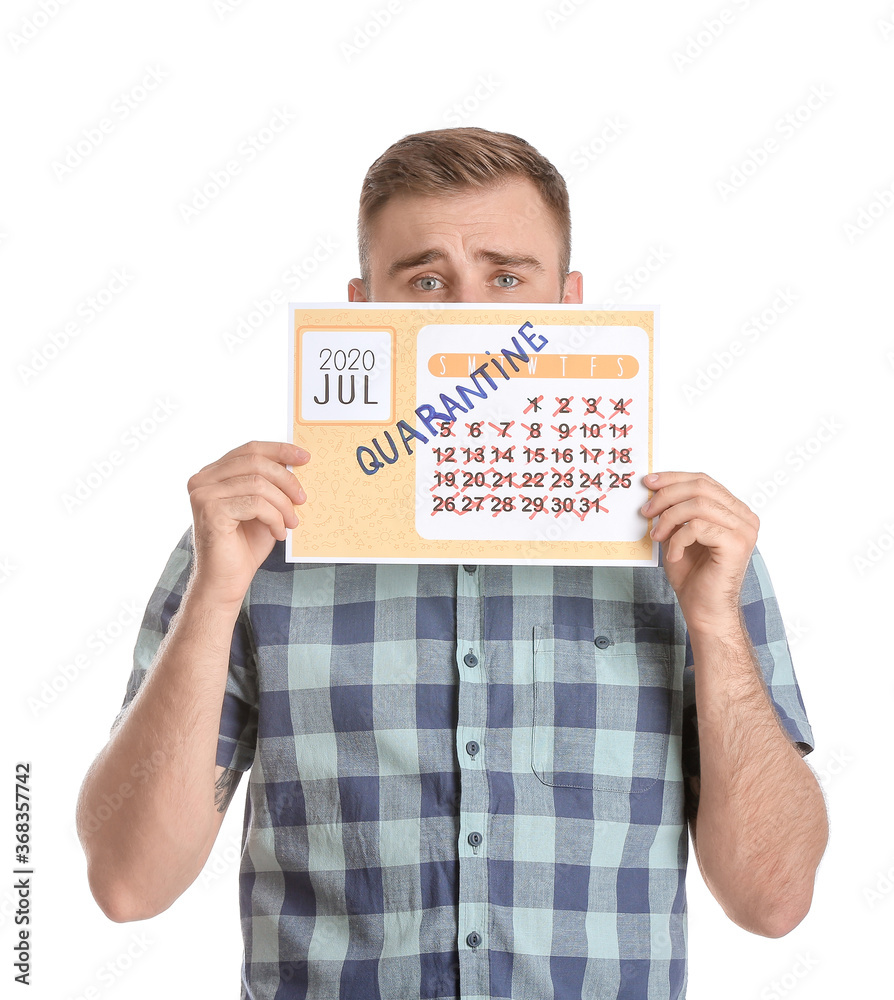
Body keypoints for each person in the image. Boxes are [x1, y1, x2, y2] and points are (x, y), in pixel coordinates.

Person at [77, 127, 828, 1000]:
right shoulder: (251, 541)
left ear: (570, 303)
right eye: (426, 281)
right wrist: (214, 597)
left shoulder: (689, 550)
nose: (470, 313)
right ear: (360, 310)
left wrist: (715, 626)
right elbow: (128, 884)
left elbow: (774, 898)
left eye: (507, 278)